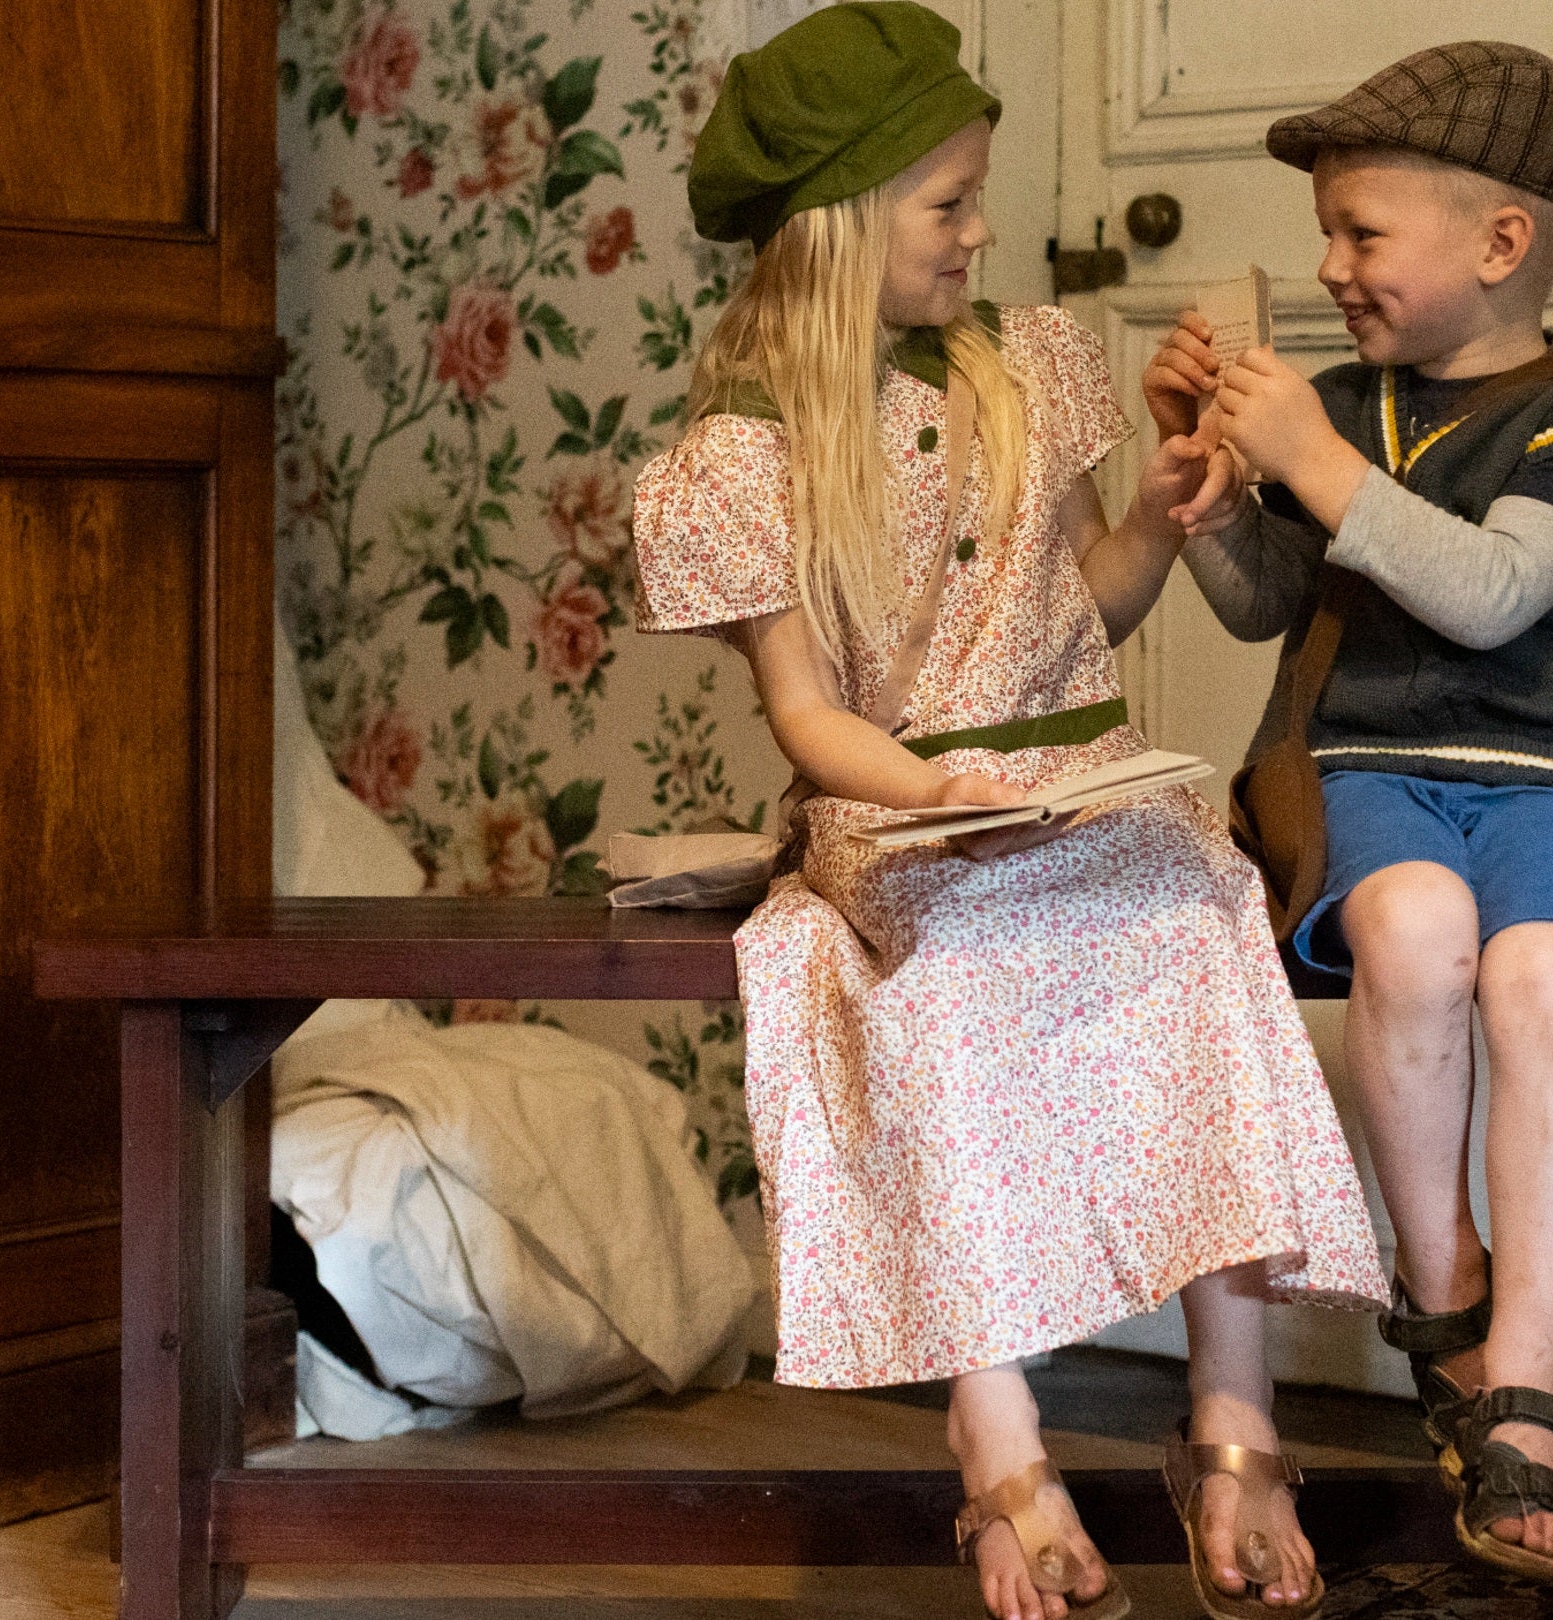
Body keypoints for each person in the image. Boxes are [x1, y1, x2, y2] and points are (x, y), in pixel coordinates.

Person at [627, 8, 1388, 1618]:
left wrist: (1172, 527)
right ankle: (999, 1440)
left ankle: (1233, 1418)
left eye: (979, 197)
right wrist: (937, 792)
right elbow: (808, 713)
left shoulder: (1032, 363)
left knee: (1200, 920)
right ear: (837, 229)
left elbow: (1080, 604)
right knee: (944, 993)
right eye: (947, 205)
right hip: (900, 810)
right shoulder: (748, 451)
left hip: (1077, 783)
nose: (981, 230)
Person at [1144, 40, 1553, 1588]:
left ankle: (1520, 1388)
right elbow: (1271, 604)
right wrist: (1207, 495)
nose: (1330, 268)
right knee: (1413, 928)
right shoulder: (1336, 406)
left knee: (1541, 979)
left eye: (1363, 234)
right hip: (1369, 774)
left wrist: (1310, 460)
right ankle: (1439, 1278)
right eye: (1327, 233)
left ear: (1500, 245)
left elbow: (1491, 594)